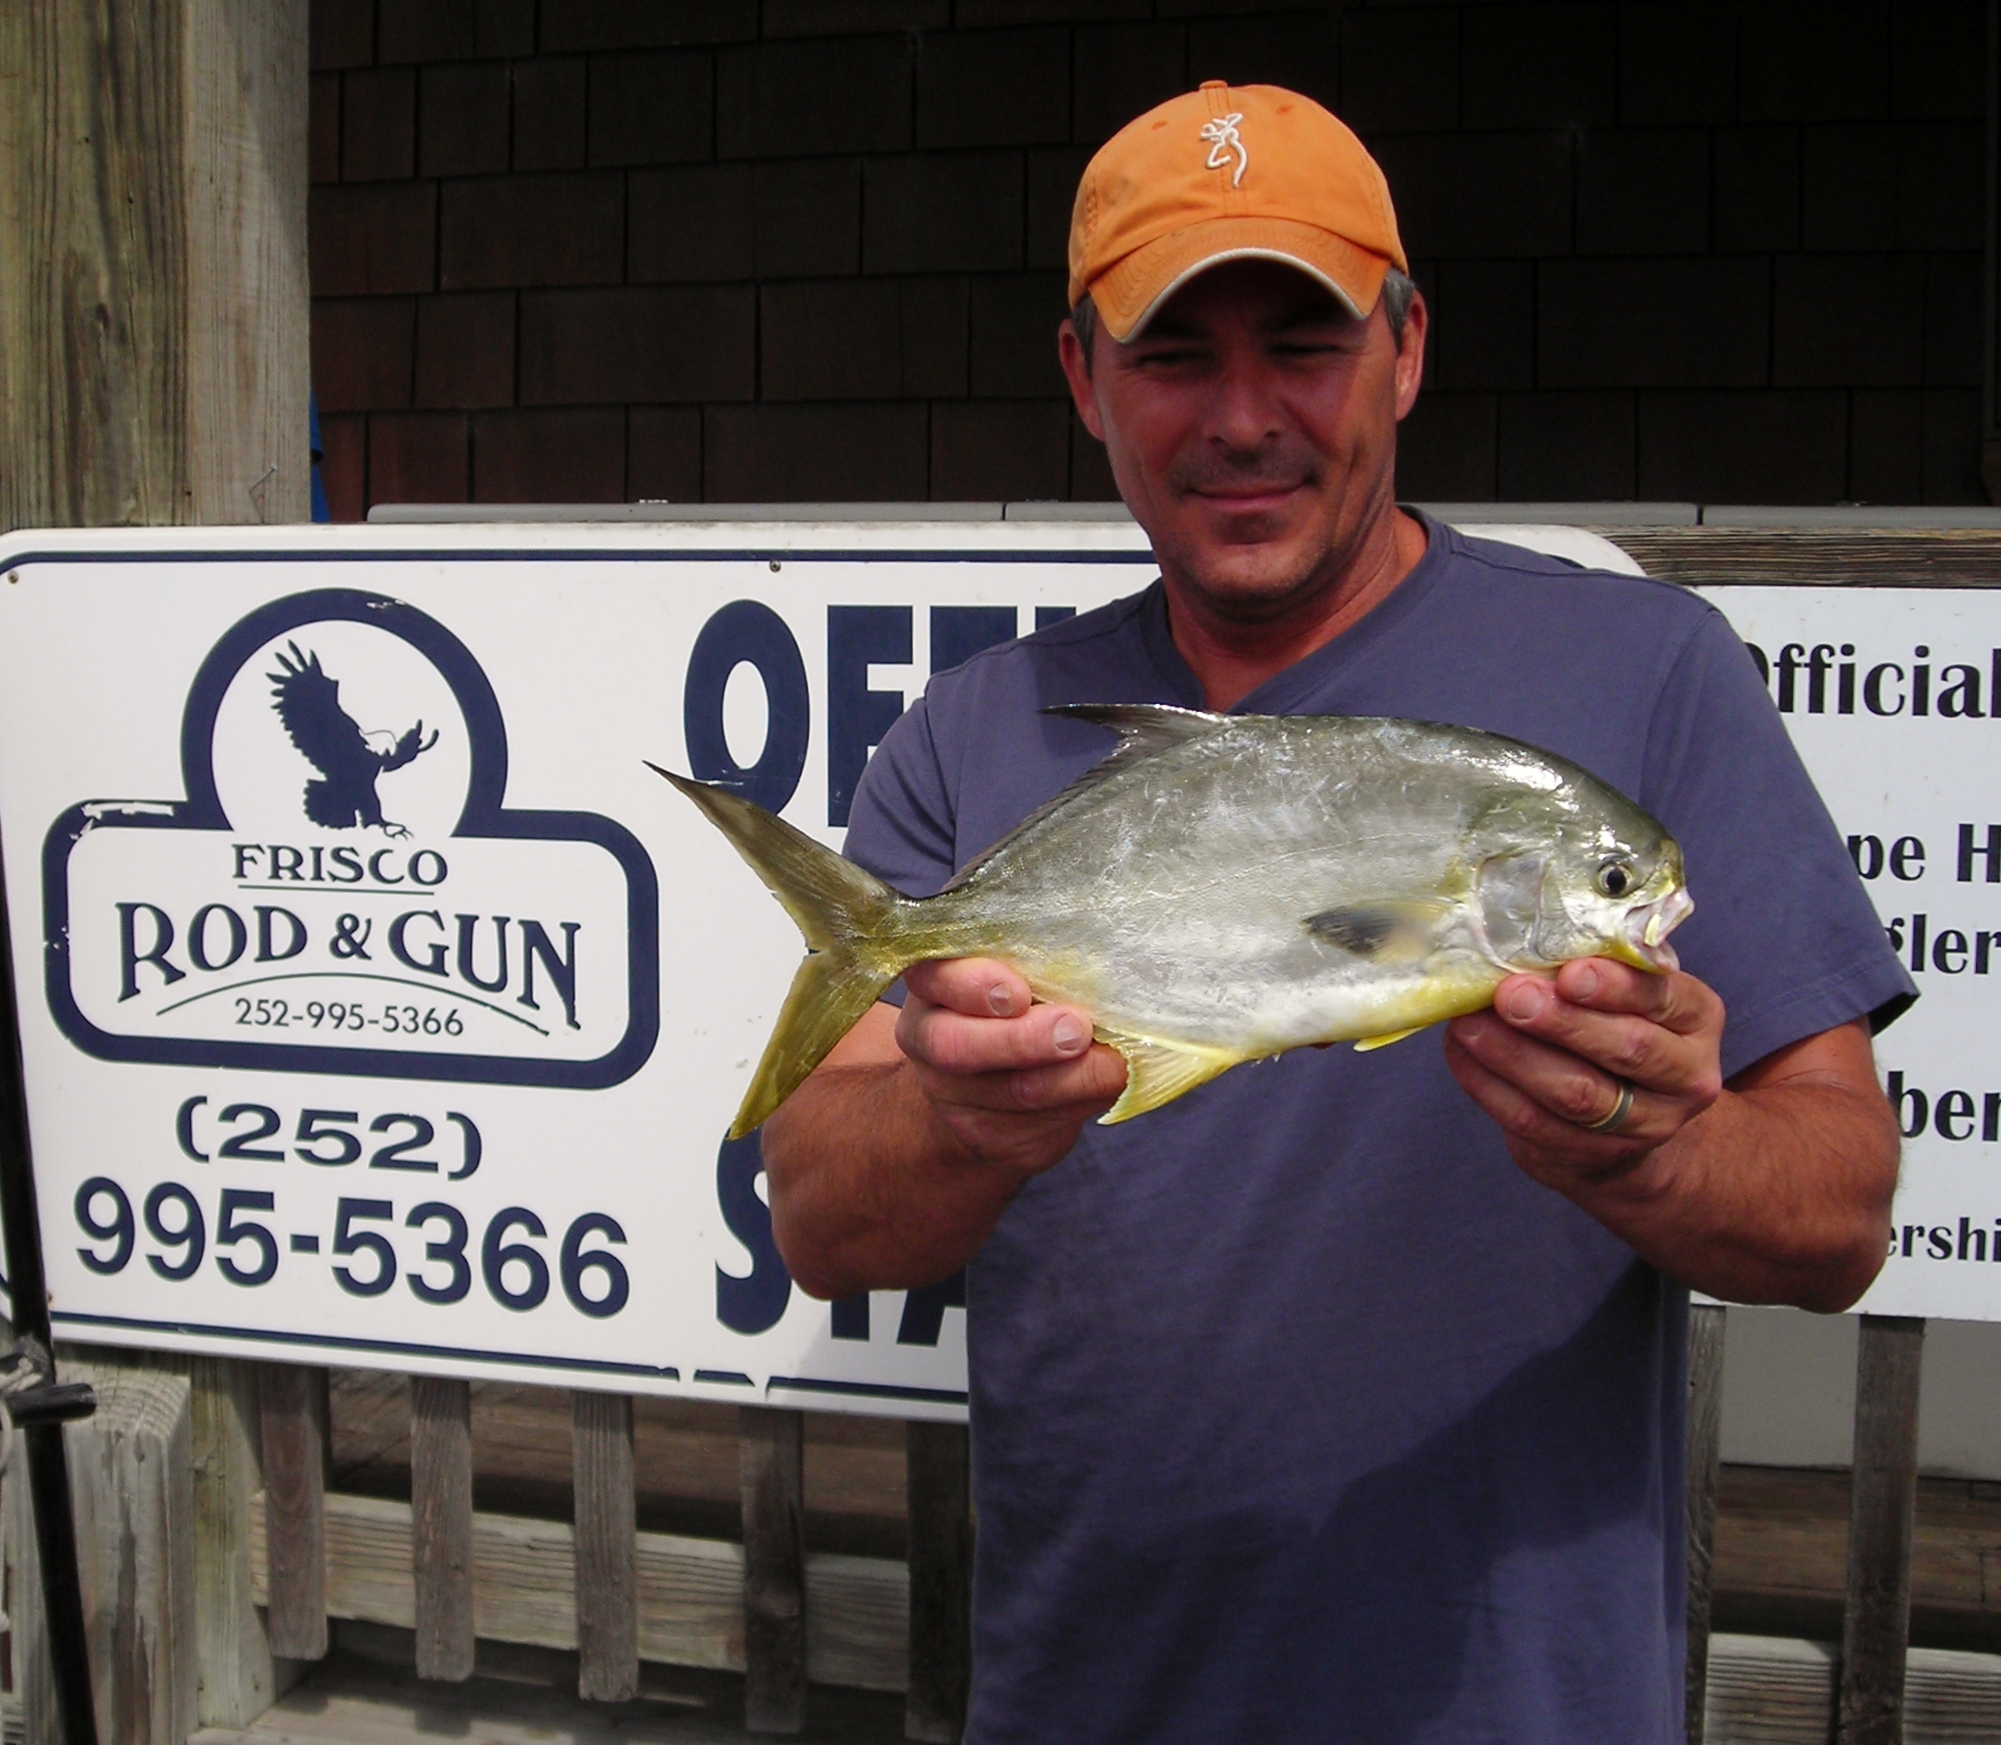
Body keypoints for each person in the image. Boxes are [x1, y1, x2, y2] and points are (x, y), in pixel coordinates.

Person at [761, 82, 1912, 1743]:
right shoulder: (977, 729)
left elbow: (1838, 1208)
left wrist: (1659, 1150)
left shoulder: (1648, 676)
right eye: (1172, 355)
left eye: (1300, 346)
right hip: (1094, 1692)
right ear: (1083, 377)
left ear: (1406, 349)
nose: (1241, 418)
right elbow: (822, 1213)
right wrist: (958, 1119)